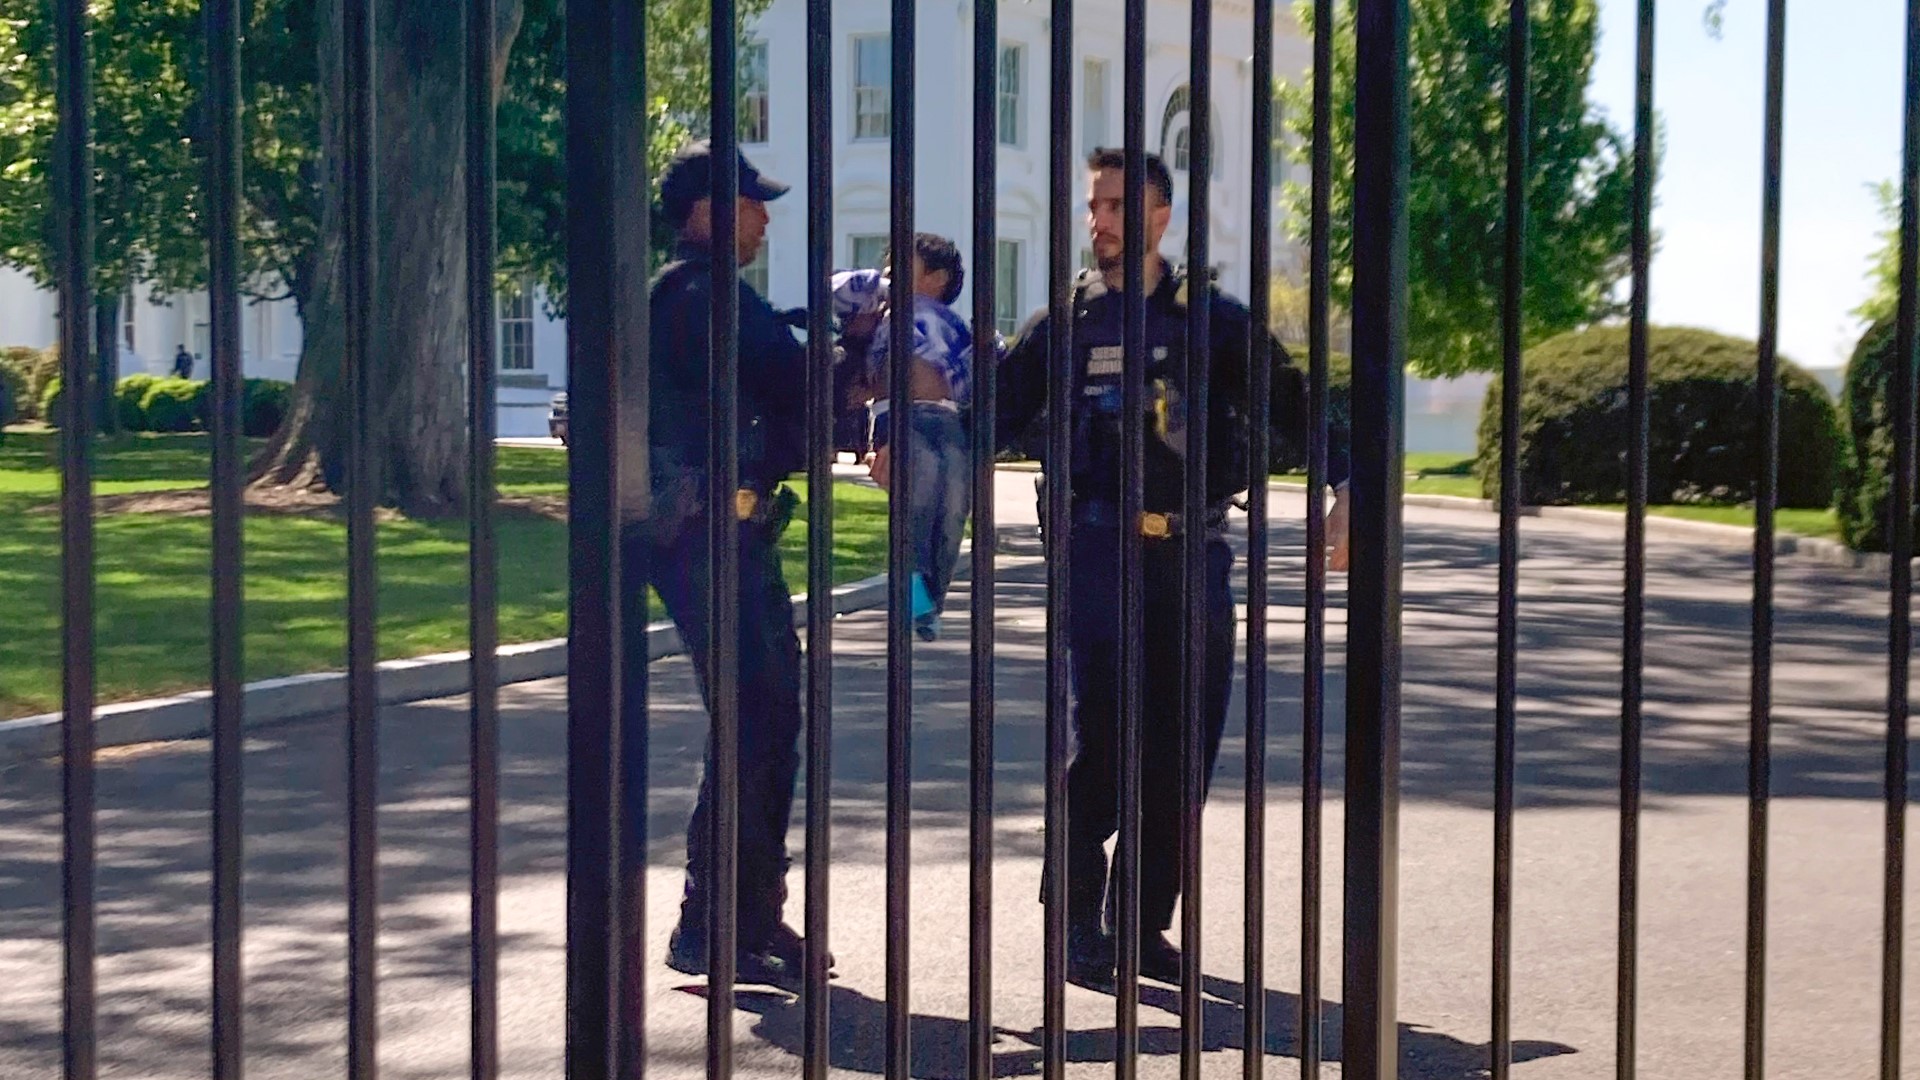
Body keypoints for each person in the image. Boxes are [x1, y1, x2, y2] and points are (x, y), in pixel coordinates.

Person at [995, 148, 1353, 987]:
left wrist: (1348, 487)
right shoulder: (1067, 322)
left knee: (1183, 747)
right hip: (1095, 550)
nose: (1101, 221)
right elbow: (995, 412)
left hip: (1193, 551)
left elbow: (1293, 404)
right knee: (1103, 743)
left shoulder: (1213, 319)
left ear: (1160, 214)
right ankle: (1078, 918)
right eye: (1094, 206)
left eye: (1118, 205)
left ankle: (1142, 923)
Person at [628, 139, 822, 991]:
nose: (765, 216)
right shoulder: (700, 299)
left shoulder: (708, 300)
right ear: (710, 209)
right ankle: (707, 921)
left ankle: (746, 911)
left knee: (770, 716)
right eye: (753, 201)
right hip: (704, 537)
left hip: (734, 535)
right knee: (756, 719)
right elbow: (795, 387)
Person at [832, 233, 986, 641]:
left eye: (903, 265)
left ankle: (931, 598)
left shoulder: (953, 323)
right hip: (900, 418)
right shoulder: (882, 308)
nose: (890, 272)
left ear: (937, 278)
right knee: (918, 497)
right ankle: (911, 592)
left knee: (953, 507)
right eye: (888, 265)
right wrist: (881, 287)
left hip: (948, 418)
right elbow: (834, 291)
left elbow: (982, 367)